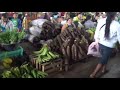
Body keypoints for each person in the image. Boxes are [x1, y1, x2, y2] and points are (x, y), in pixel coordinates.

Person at [90, 12, 120, 78]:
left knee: (104, 58)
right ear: (114, 15)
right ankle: (93, 75)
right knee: (103, 60)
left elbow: (97, 32)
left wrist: (96, 41)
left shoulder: (101, 21)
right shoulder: (117, 24)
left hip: (100, 43)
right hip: (109, 46)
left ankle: (104, 70)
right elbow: (119, 37)